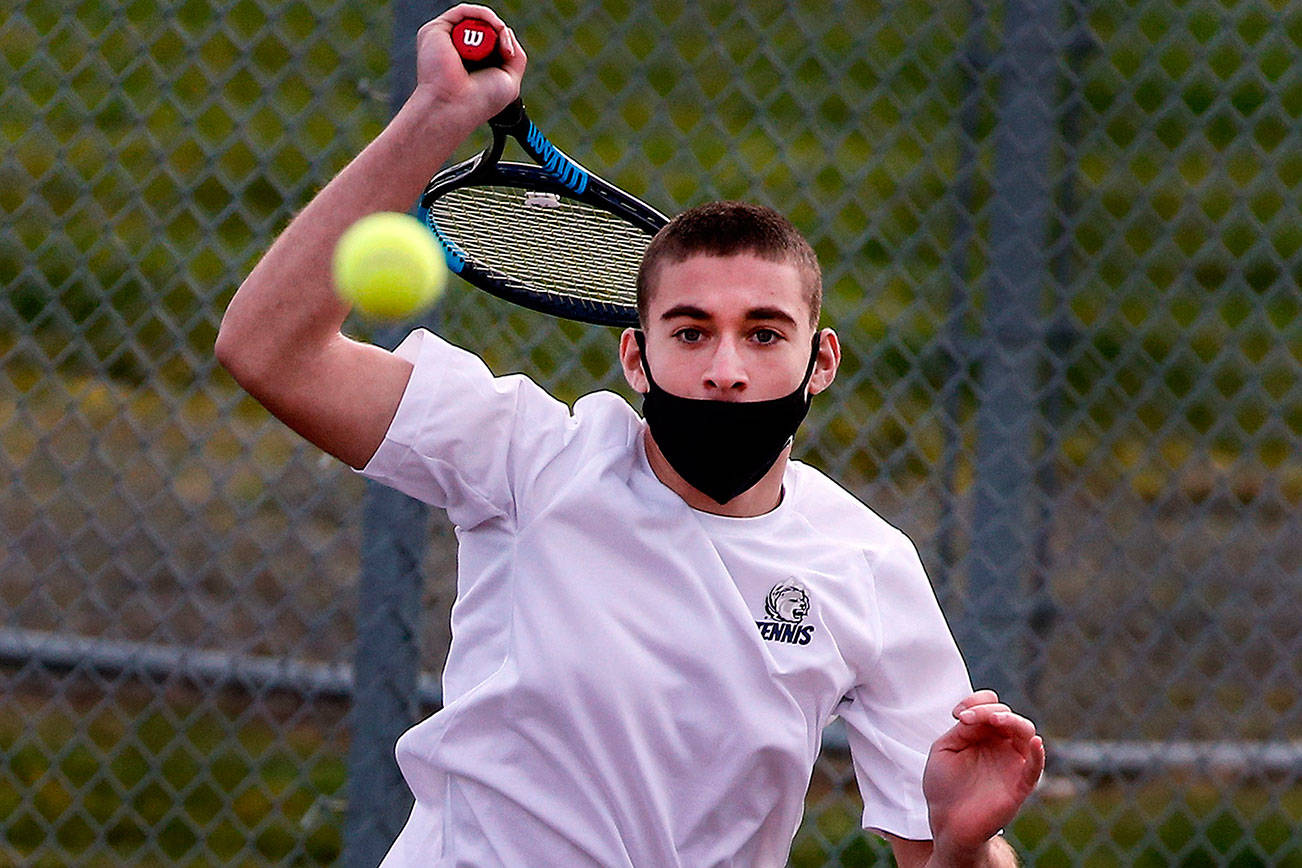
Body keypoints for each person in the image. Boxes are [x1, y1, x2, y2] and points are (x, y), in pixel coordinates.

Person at [215, 5, 1045, 866]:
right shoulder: (529, 457)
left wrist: (961, 843)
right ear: (636, 359)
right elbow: (269, 350)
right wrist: (436, 117)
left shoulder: (865, 568)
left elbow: (938, 854)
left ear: (821, 360)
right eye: (690, 333)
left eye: (764, 334)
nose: (726, 368)